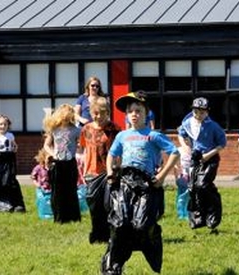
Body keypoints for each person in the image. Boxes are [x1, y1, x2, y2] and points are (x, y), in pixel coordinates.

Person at [101, 92, 179, 274]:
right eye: (130, 112)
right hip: (125, 183)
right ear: (126, 115)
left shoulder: (153, 135)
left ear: (146, 114)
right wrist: (111, 172)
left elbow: (175, 153)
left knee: (141, 225)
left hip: (146, 185)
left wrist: (161, 177)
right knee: (119, 224)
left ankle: (153, 241)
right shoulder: (122, 136)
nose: (134, 114)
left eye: (138, 111)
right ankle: (113, 265)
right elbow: (112, 155)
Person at [178, 97, 227, 234]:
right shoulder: (187, 123)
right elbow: (181, 134)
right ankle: (198, 219)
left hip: (210, 158)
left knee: (203, 185)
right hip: (196, 158)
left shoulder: (213, 126)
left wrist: (208, 156)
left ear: (207, 112)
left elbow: (222, 144)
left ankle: (213, 214)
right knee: (193, 188)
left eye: (202, 112)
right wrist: (185, 146)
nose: (199, 115)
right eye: (196, 112)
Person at [79, 97, 122, 243]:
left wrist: (118, 170)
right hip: (92, 172)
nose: (97, 116)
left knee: (109, 205)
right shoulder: (86, 129)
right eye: (95, 113)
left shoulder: (114, 129)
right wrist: (84, 171)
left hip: (109, 171)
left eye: (101, 113)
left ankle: (111, 235)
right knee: (94, 206)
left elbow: (120, 151)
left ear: (107, 112)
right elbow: (85, 150)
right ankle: (98, 235)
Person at [43, 104, 82, 223]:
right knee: (57, 191)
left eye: (68, 115)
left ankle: (73, 216)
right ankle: (60, 217)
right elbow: (46, 145)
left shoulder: (76, 130)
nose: (65, 117)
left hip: (70, 162)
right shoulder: (54, 129)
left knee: (71, 189)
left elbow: (81, 144)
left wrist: (79, 151)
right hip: (57, 163)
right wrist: (52, 154)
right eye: (64, 115)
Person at [0, 114, 26, 213]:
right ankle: (1, 203)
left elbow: (14, 145)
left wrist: (15, 149)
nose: (3, 126)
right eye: (0, 124)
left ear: (8, 126)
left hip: (8, 159)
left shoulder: (10, 136)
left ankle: (15, 203)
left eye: (5, 124)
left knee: (10, 180)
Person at [31, 148, 53, 220]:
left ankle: (51, 213)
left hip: (51, 189)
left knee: (50, 202)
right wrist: (37, 184)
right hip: (41, 189)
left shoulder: (53, 168)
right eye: (48, 159)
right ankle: (43, 213)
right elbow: (33, 177)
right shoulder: (38, 168)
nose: (50, 161)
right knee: (42, 200)